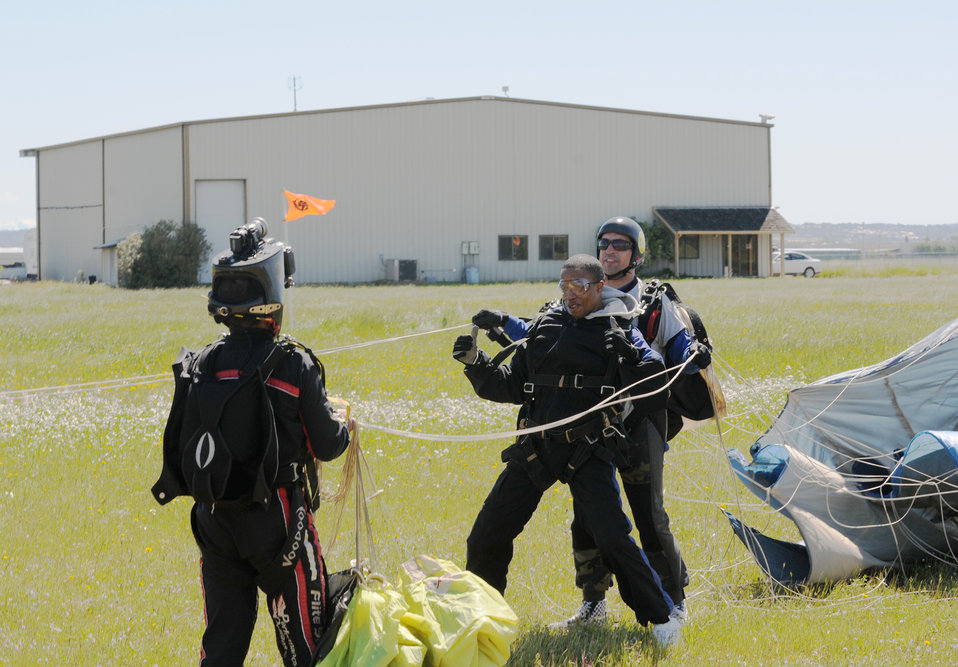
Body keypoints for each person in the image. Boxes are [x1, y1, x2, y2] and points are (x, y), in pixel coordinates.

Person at [472, 216, 708, 640]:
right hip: (585, 425)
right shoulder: (576, 295)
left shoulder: (654, 304)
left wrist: (693, 351)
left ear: (636, 255)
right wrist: (503, 323)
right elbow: (544, 337)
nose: (610, 251)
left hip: (639, 421)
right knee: (588, 518)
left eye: (620, 245)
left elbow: (678, 354)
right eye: (604, 244)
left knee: (646, 519)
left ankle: (672, 604)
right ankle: (593, 602)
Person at [153, 218, 353, 666]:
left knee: (222, 647)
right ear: (272, 299)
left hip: (214, 520)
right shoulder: (292, 364)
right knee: (307, 642)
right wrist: (346, 424)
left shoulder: (202, 363)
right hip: (278, 524)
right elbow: (328, 445)